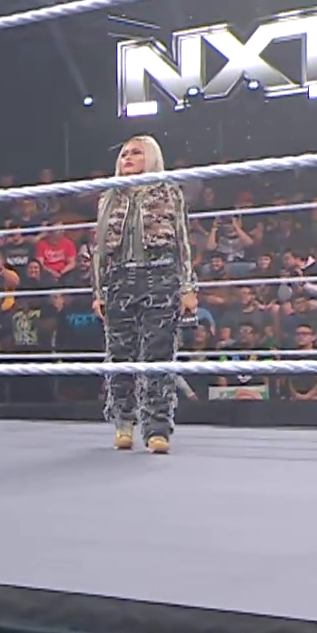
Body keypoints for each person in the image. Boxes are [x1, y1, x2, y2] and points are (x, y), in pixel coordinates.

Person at [92, 135, 195, 454]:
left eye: (136, 153)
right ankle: (123, 422)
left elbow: (182, 241)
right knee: (119, 355)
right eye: (124, 153)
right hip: (120, 278)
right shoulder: (109, 196)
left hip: (160, 275)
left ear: (151, 157)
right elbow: (99, 249)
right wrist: (98, 291)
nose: (127, 158)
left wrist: (188, 286)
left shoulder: (169, 192)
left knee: (158, 355)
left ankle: (157, 429)